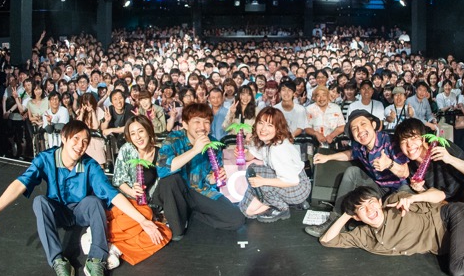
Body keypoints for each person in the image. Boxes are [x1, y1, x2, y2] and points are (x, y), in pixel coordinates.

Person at [0, 120, 166, 276]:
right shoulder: (46, 159)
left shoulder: (90, 165)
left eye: (85, 142)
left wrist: (142, 220)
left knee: (94, 201)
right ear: (64, 138)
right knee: (39, 202)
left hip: (82, 211)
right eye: (76, 139)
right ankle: (59, 262)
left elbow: (112, 194)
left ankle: (96, 261)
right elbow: (21, 183)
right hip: (59, 212)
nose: (80, 145)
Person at [319, 186, 464, 276]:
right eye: (362, 209)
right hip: (451, 243)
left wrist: (413, 198)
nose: (370, 210)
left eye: (371, 203)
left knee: (456, 267)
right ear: (357, 217)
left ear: (379, 202)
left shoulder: (395, 203)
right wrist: (348, 213)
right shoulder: (364, 236)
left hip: (454, 216)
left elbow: (440, 195)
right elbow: (327, 240)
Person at [305, 110, 409, 238]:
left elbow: (405, 173)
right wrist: (328, 157)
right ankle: (336, 220)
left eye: (363, 124)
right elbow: (350, 154)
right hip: (378, 188)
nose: (360, 130)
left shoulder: (391, 142)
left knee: (396, 224)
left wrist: (389, 164)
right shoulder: (359, 145)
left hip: (399, 189)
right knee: (352, 172)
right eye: (355, 128)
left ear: (373, 125)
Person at [154, 103, 245, 241]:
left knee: (236, 219)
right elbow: (162, 170)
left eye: (206, 122)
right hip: (176, 192)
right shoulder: (173, 139)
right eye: (197, 121)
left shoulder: (213, 143)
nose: (202, 127)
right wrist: (195, 150)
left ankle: (191, 215)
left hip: (200, 191)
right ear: (185, 124)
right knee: (171, 180)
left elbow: (208, 177)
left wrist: (213, 178)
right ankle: (176, 219)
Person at [395, 118, 464, 242]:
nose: (409, 145)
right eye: (404, 141)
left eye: (413, 138)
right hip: (445, 202)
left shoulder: (441, 146)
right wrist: (420, 190)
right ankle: (460, 226)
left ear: (423, 138)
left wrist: (450, 158)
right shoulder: (409, 167)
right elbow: (437, 196)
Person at [105, 115, 172, 265]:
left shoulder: (160, 153)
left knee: (164, 233)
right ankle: (100, 232)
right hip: (125, 204)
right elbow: (118, 180)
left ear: (148, 130)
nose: (138, 137)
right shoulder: (126, 149)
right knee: (144, 214)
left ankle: (115, 247)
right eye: (133, 133)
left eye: (141, 131)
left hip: (147, 205)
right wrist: (131, 191)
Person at [239, 107, 310, 222]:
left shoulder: (278, 149)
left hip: (298, 188)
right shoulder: (267, 141)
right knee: (247, 210)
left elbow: (292, 180)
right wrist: (241, 152)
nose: (263, 129)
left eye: (270, 125)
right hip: (288, 181)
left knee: (258, 178)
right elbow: (250, 155)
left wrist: (263, 182)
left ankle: (282, 208)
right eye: (261, 123)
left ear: (278, 129)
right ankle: (282, 202)